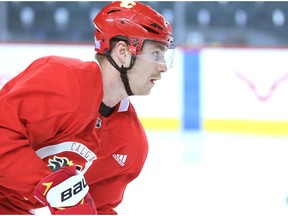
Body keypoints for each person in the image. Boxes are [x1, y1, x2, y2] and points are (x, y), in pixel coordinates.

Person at [0, 1, 175, 214]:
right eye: (156, 54)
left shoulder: (130, 144)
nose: (164, 66)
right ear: (123, 51)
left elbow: (97, 208)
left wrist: (63, 195)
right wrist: (50, 186)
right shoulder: (61, 80)